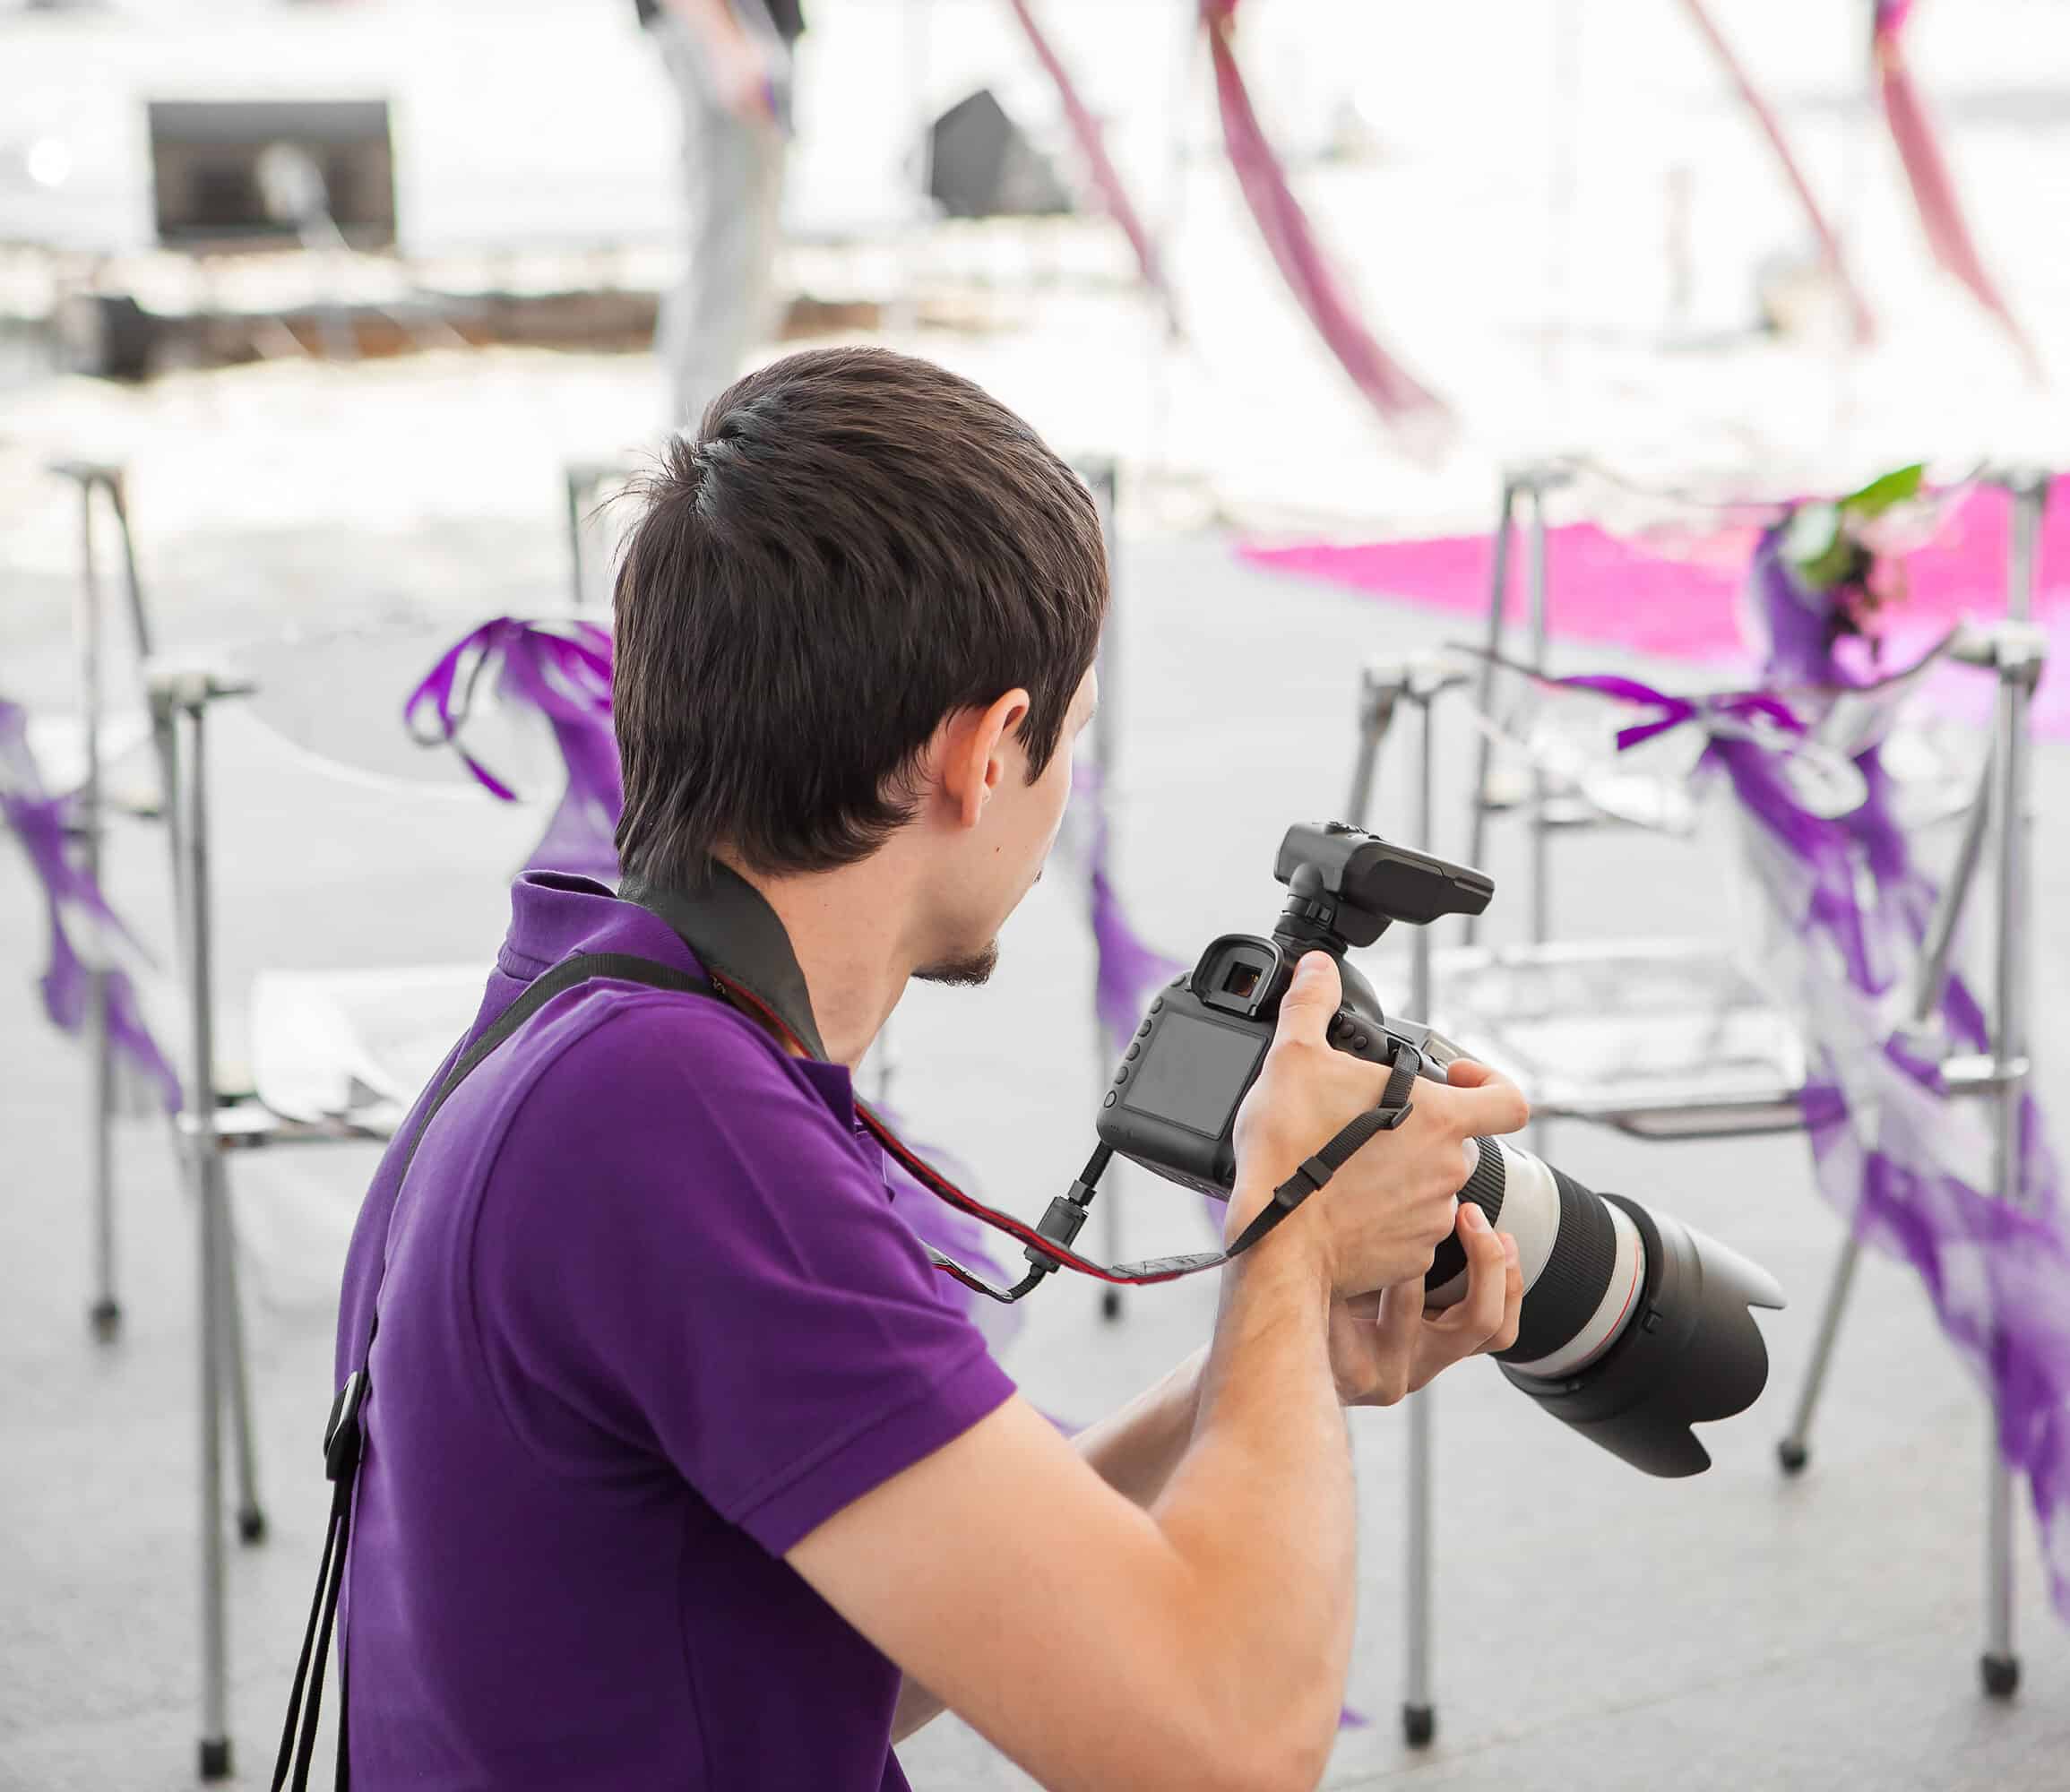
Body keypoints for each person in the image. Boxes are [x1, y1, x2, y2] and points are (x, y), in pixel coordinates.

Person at [332, 347, 1529, 1789]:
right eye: (1064, 741)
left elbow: (855, 1638)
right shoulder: (678, 1135)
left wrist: (1249, 1376)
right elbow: (1226, 1751)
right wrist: (1294, 1229)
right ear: (985, 750)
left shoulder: (587, 1014)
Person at [639, 0, 802, 427]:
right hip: (729, 28)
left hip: (745, 30)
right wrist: (723, 38)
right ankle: (696, 440)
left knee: (747, 251)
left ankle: (700, 435)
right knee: (731, 252)